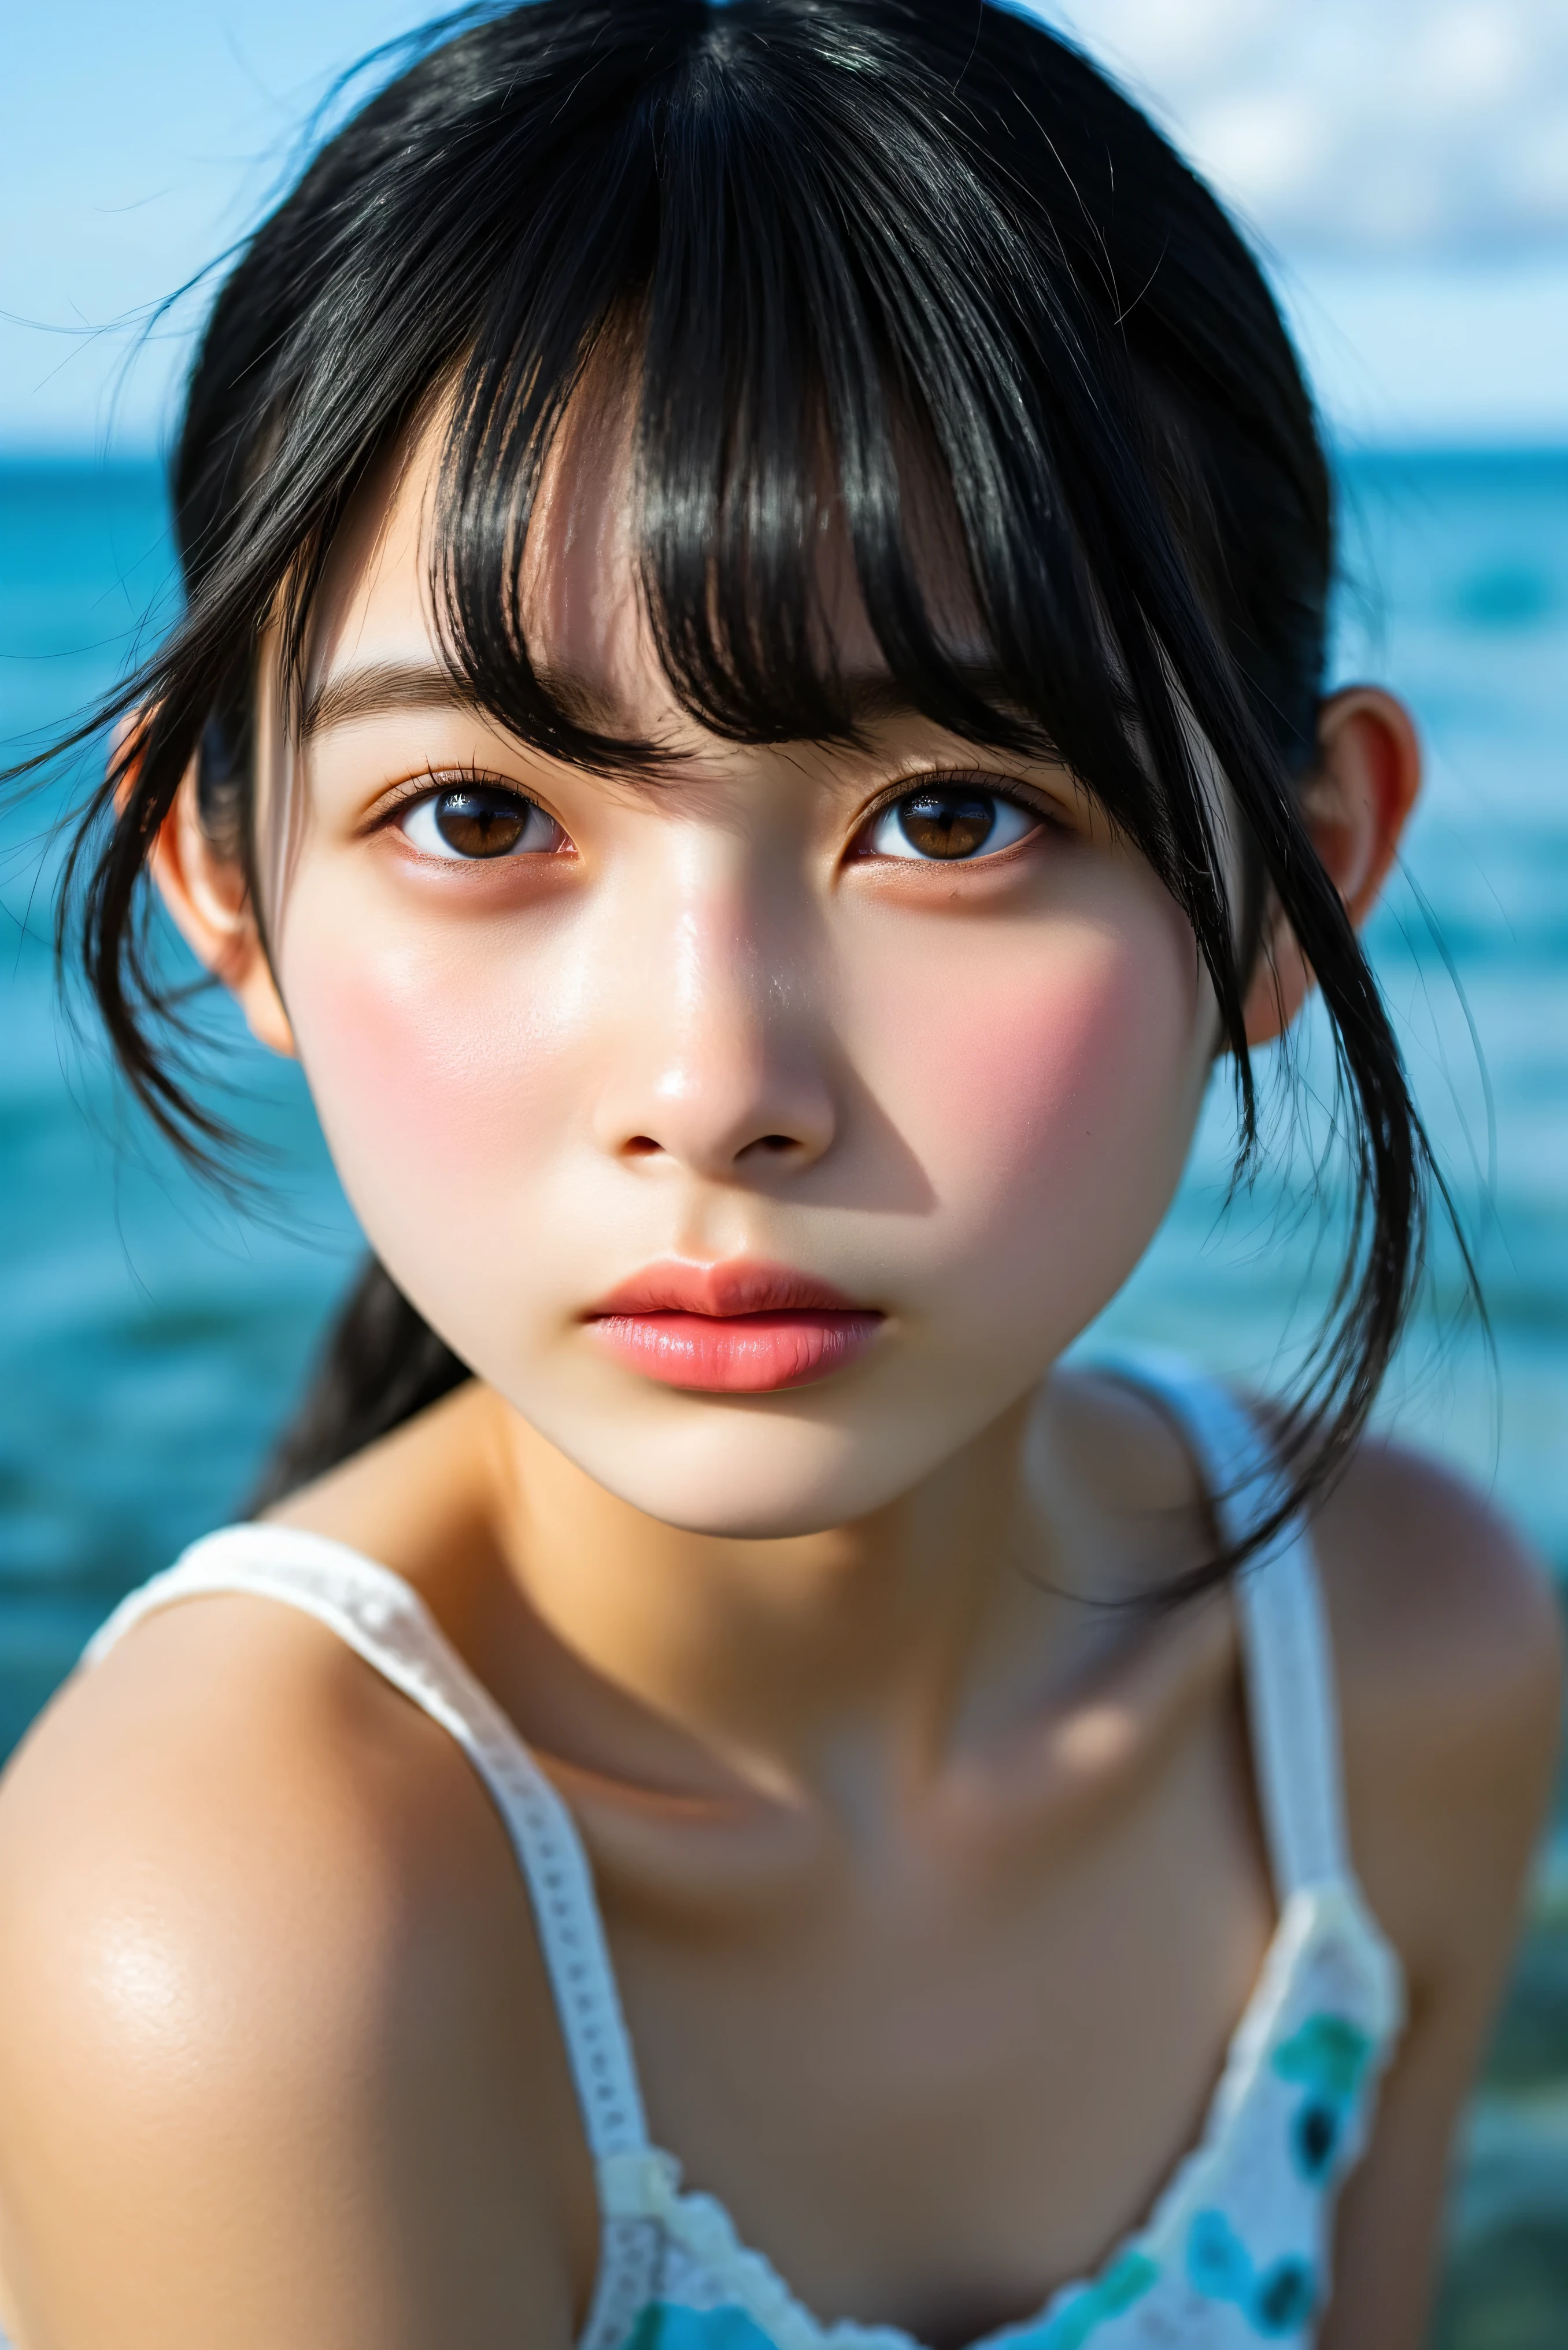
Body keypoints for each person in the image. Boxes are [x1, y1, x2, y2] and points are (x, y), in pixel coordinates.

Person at [0, 3, 1559, 2344]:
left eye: (952, 815)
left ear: (1294, 873)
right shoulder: (245, 1928)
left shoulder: (1395, 1655)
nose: (715, 1083)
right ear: (223, 877)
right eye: (477, 815)